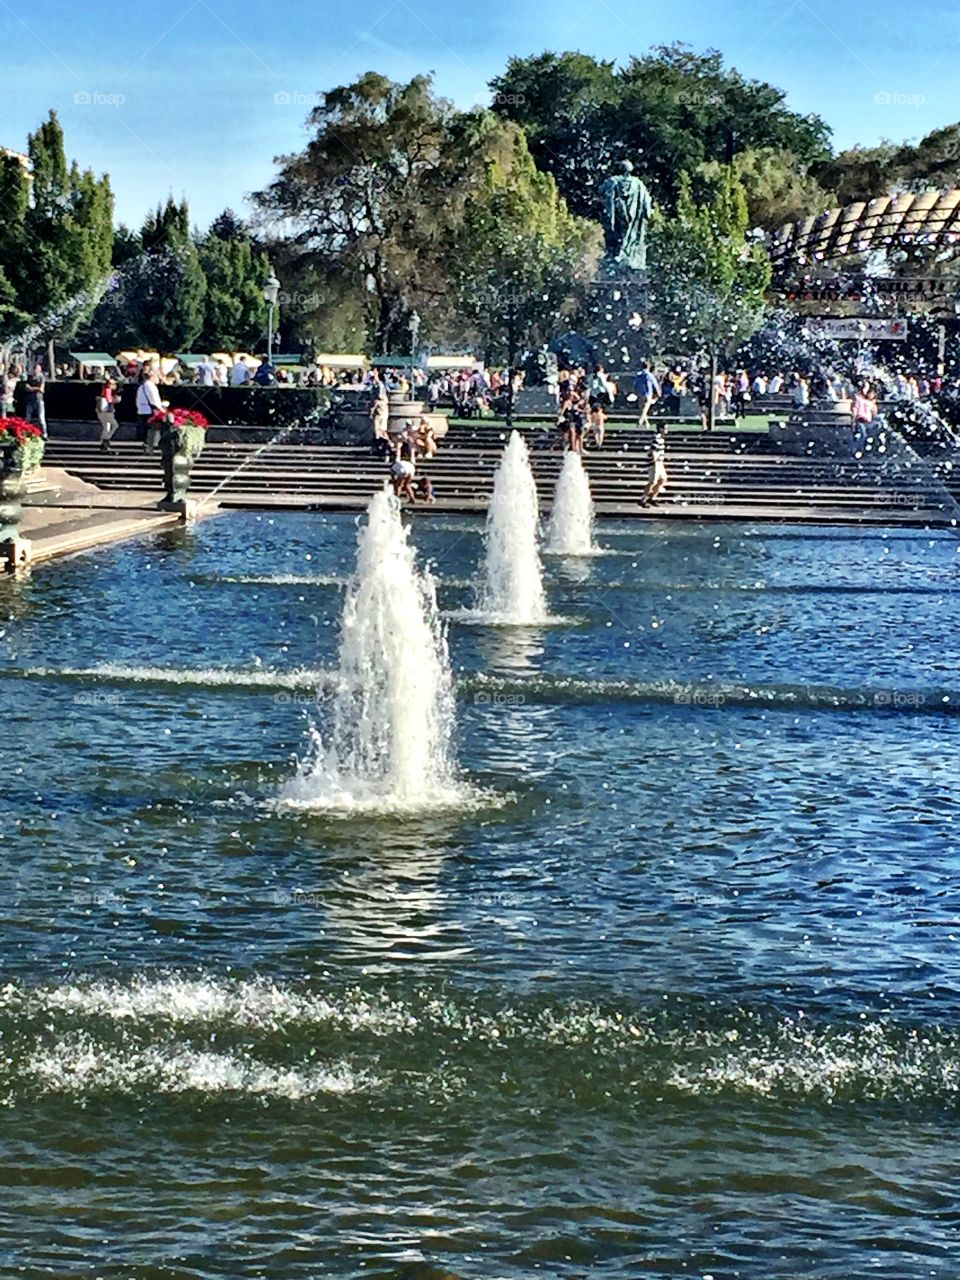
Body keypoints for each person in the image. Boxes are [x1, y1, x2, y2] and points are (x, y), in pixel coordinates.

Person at [135, 368, 165, 450]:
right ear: (152, 377)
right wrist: (162, 409)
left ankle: (147, 444)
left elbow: (138, 400)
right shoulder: (151, 387)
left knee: (146, 429)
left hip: (142, 411)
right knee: (153, 428)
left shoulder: (141, 387)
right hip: (150, 411)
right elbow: (154, 400)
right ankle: (151, 444)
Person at [587, 364, 614, 447]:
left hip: (592, 396)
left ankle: (596, 438)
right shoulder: (601, 376)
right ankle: (600, 440)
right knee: (599, 414)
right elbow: (604, 385)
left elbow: (590, 386)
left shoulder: (591, 376)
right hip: (600, 395)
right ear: (601, 369)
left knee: (594, 415)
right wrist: (610, 395)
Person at [641, 432, 668, 507]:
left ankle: (652, 498)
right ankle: (643, 499)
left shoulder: (661, 438)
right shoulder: (657, 438)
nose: (667, 430)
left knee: (663, 479)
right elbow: (653, 450)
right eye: (665, 428)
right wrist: (655, 462)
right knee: (653, 481)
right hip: (654, 463)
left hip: (660, 462)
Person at [96, 376, 119, 453]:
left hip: (100, 412)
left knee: (106, 427)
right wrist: (116, 400)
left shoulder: (104, 390)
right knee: (115, 425)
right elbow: (109, 401)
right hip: (106, 412)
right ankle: (106, 439)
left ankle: (103, 444)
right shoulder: (108, 390)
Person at [633, 361, 660, 427]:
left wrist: (635, 391)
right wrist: (658, 394)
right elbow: (655, 385)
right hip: (648, 394)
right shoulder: (650, 375)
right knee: (645, 409)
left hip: (640, 393)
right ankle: (640, 421)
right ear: (649, 367)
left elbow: (635, 384)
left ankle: (647, 423)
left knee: (642, 409)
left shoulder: (638, 375)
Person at [25, 362, 47, 437]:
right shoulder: (30, 377)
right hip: (30, 400)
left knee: (41, 418)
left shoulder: (42, 378)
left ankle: (44, 433)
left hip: (39, 400)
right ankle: (25, 433)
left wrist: (32, 388)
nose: (35, 370)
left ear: (40, 369)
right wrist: (36, 388)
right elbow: (27, 388)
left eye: (37, 369)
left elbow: (41, 389)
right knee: (28, 418)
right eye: (35, 369)